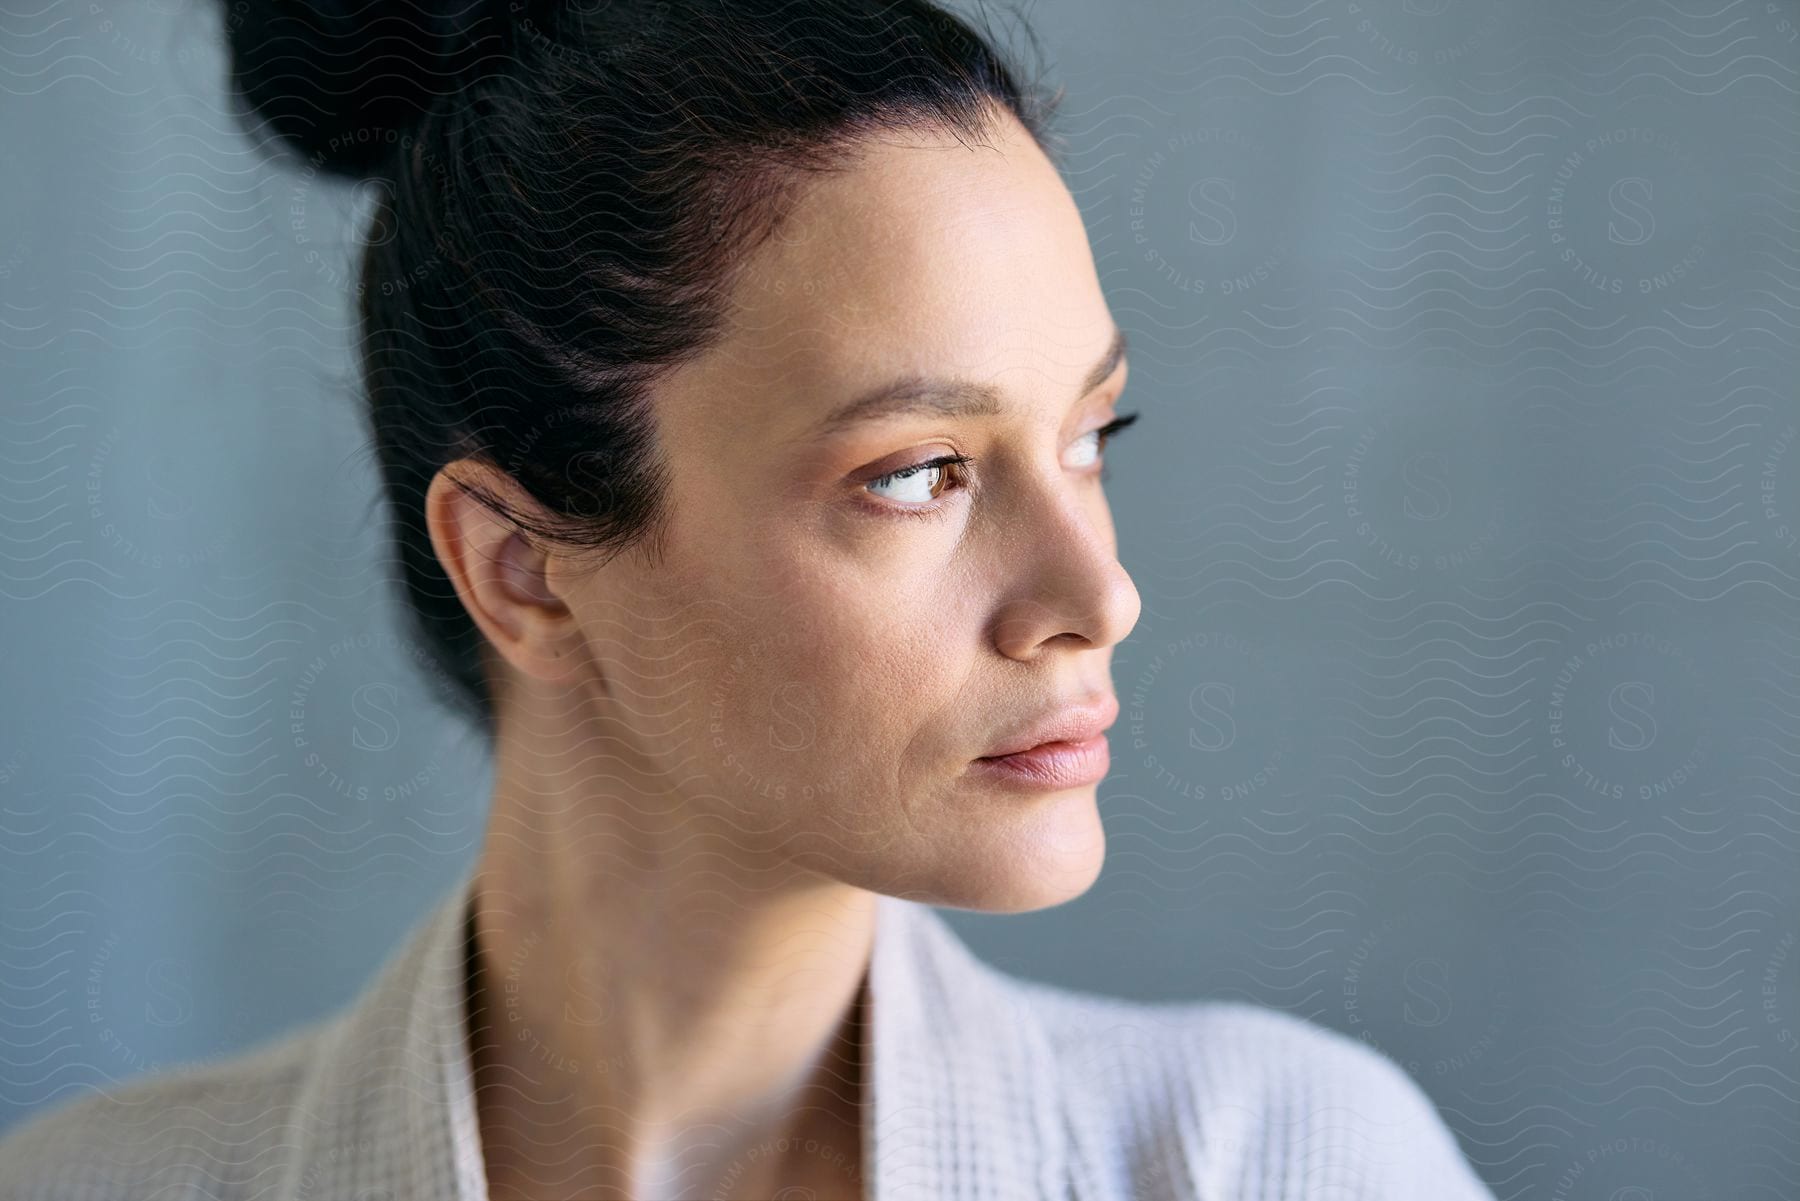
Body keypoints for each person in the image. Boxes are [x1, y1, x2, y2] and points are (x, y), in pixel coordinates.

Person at [0, 0, 1499, 1197]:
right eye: (921, 471)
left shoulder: (1278, 1164)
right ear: (525, 571)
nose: (1096, 593)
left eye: (1089, 438)